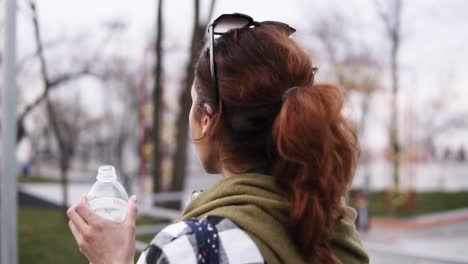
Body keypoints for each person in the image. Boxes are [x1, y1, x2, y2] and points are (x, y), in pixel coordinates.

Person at [67, 13, 369, 264]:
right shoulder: (335, 229)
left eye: (192, 102)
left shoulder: (193, 248)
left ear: (207, 118)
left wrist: (112, 259)